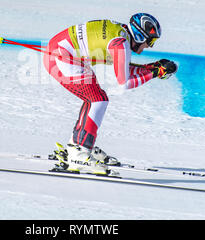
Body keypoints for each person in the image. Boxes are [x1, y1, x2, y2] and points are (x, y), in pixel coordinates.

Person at [43, 13, 177, 175]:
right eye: (151, 41)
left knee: (95, 98)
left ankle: (77, 146)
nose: (149, 46)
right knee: (97, 100)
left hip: (61, 54)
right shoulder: (120, 43)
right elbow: (124, 82)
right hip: (61, 58)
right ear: (140, 35)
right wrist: (154, 73)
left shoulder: (120, 35)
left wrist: (152, 68)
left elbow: (124, 68)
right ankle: (79, 153)